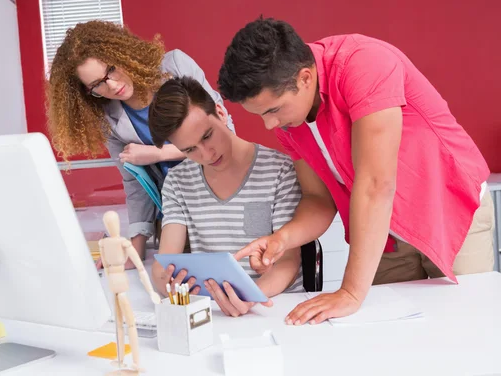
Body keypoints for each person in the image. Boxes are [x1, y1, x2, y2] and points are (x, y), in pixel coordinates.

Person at [217, 17, 493, 325]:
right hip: (385, 233)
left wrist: (350, 291)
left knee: (467, 331)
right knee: (394, 340)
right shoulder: (289, 122)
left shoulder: (364, 63)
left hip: (451, 211)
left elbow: (376, 184)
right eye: (261, 116)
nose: (270, 125)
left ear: (305, 78)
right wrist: (283, 239)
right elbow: (317, 199)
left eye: (273, 110)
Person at [46, 21, 235, 267]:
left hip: (220, 201)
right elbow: (134, 183)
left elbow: (224, 133)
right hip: (172, 216)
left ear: (123, 52)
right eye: (96, 85)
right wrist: (134, 248)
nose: (111, 85)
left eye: (111, 69)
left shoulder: (175, 66)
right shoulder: (108, 117)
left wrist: (157, 153)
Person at [147, 76, 304, 317]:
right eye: (190, 150)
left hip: (276, 309)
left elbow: (289, 262)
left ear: (220, 112)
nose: (206, 154)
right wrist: (165, 283)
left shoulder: (279, 170)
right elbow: (164, 263)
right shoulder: (178, 181)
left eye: (207, 136)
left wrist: (250, 297)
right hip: (216, 312)